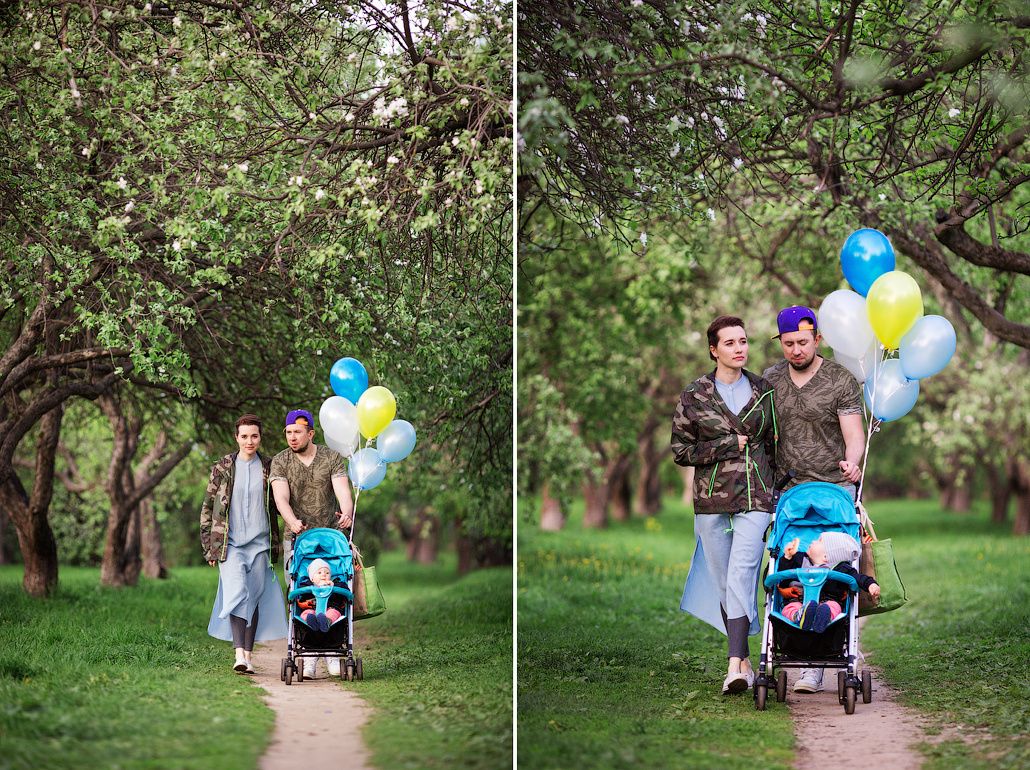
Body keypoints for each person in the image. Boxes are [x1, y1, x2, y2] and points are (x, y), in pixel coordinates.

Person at [762, 305, 866, 694]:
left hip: (834, 492)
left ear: (817, 338)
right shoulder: (769, 380)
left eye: (803, 343)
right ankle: (795, 651)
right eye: (788, 344)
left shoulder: (840, 380)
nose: (795, 350)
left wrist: (851, 465)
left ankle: (821, 662)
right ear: (780, 342)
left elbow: (854, 436)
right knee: (793, 572)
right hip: (789, 494)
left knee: (830, 578)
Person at [672, 316, 778, 695]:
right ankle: (745, 662)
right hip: (711, 500)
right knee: (723, 584)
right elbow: (680, 451)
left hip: (756, 495)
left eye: (744, 341)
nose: (739, 348)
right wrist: (727, 445)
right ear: (714, 350)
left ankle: (733, 665)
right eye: (730, 343)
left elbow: (774, 444)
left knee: (742, 574)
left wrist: (778, 487)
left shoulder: (765, 391)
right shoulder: (695, 395)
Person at [201, 414, 289, 674]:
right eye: (244, 436)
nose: (249, 441)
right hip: (230, 544)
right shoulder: (223, 467)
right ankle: (239, 654)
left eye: (254, 436)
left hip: (261, 544)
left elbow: (282, 501)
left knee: (253, 596)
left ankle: (247, 657)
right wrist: (210, 545)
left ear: (260, 437)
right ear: (236, 437)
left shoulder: (270, 467)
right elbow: (208, 507)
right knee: (238, 591)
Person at [270, 408, 354, 678]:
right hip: (296, 542)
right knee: (302, 597)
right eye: (288, 432)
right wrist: (292, 520)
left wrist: (348, 511)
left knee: (333, 596)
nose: (292, 437)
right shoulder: (280, 461)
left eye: (297, 432)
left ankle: (330, 652)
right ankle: (306, 656)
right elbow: (280, 497)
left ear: (311, 433)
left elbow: (342, 490)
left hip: (330, 541)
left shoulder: (331, 457)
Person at [777, 532, 880, 632]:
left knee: (834, 607)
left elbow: (858, 577)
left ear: (826, 557)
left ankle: (823, 618)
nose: (813, 541)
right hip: (799, 601)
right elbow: (784, 575)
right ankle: (799, 617)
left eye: (818, 541)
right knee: (789, 608)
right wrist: (787, 557)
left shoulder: (841, 569)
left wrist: (870, 584)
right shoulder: (799, 560)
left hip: (827, 602)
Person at [297, 558, 345, 632]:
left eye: (327, 573)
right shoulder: (307, 585)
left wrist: (333, 586)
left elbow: (345, 590)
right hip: (312, 609)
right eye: (319, 573)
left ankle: (327, 622)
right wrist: (316, 587)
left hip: (331, 608)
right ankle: (311, 622)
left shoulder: (336, 583)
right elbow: (301, 591)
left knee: (333, 613)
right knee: (305, 614)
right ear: (312, 579)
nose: (323, 575)